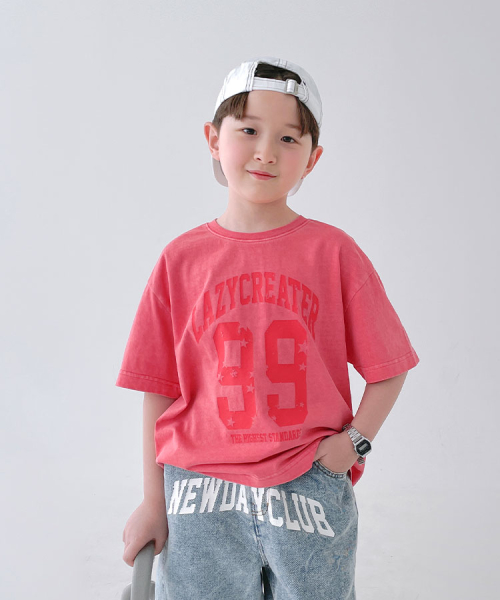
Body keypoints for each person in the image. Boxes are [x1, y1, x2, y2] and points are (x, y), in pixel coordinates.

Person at [117, 56, 420, 599]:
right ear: (214, 139)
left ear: (313, 159)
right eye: (249, 130)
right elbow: (157, 390)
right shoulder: (180, 260)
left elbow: (390, 367)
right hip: (200, 490)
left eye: (288, 138)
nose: (266, 152)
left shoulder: (334, 253)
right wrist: (152, 502)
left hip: (308, 485)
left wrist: (354, 444)